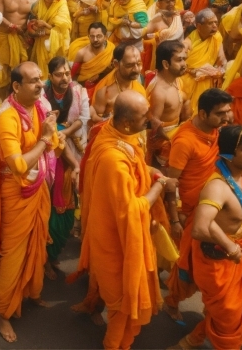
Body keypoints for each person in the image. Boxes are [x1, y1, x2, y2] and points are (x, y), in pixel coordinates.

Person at [74, 91, 176, 350]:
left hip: (112, 225)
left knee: (118, 295)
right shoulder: (112, 158)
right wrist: (159, 187)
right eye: (145, 116)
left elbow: (136, 168)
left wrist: (150, 172)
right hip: (115, 239)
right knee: (122, 302)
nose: (150, 120)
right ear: (128, 122)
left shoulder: (113, 133)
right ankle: (115, 344)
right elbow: (131, 208)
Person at [0, 61, 59, 343]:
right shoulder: (7, 118)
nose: (41, 85)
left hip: (37, 186)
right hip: (16, 192)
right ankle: (1, 313)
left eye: (41, 79)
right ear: (16, 87)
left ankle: (30, 289)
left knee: (36, 243)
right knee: (14, 253)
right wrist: (44, 140)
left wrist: (53, 136)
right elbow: (17, 165)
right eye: (33, 81)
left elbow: (51, 141)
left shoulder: (39, 106)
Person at [177, 125, 242, 350]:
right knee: (230, 316)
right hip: (220, 264)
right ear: (228, 155)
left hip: (239, 257)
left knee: (228, 314)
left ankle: (188, 342)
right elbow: (200, 228)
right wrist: (230, 247)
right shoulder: (217, 188)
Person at [164, 88, 234, 320]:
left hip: (217, 210)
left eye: (228, 111)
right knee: (189, 268)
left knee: (218, 266)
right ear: (203, 114)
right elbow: (171, 182)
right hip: (192, 216)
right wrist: (175, 219)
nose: (227, 117)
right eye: (221, 113)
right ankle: (172, 302)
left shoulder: (218, 131)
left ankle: (213, 309)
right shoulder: (185, 141)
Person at [43, 57, 85, 275]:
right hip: (47, 158)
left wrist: (63, 131)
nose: (64, 78)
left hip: (69, 154)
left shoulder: (78, 92)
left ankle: (53, 255)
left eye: (67, 73)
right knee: (50, 210)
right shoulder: (40, 95)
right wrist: (58, 129)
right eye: (59, 74)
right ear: (50, 76)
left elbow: (84, 119)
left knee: (67, 206)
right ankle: (44, 259)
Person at [146, 40, 190, 169]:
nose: (184, 64)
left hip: (179, 131)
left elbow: (184, 101)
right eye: (179, 60)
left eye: (184, 59)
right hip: (165, 143)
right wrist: (176, 141)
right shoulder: (159, 92)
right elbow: (154, 126)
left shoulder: (177, 80)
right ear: (165, 64)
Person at [0, 0, 37, 96]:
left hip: (23, 38)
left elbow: (35, 16)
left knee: (21, 71)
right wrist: (13, 27)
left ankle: (18, 99)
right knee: (3, 72)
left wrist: (31, 31)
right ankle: (2, 100)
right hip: (4, 36)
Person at [91, 42, 147, 123]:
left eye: (138, 64)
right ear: (116, 64)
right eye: (129, 65)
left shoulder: (140, 87)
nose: (136, 69)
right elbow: (96, 122)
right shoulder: (104, 91)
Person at [182, 8, 226, 110]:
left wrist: (220, 70)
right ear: (198, 26)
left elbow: (222, 59)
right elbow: (179, 64)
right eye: (210, 23)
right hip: (188, 80)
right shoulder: (188, 42)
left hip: (208, 78)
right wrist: (193, 71)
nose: (215, 26)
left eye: (216, 22)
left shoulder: (217, 37)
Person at [29, 0, 71, 75]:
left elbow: (63, 28)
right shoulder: (38, 4)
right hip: (41, 41)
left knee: (57, 70)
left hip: (58, 43)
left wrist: (45, 25)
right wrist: (35, 24)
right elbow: (33, 19)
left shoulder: (62, 4)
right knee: (42, 71)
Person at [69, 21, 115, 100]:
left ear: (105, 36)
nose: (95, 39)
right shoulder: (82, 53)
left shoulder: (111, 49)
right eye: (92, 36)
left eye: (99, 36)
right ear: (88, 37)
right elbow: (72, 75)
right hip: (86, 87)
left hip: (107, 85)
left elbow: (115, 69)